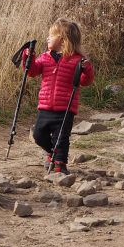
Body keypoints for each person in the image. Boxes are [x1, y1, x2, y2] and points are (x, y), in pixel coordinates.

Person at [25, 18, 95, 174]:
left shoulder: (77, 60)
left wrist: (86, 69)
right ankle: (52, 153)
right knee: (38, 135)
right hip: (45, 106)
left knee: (61, 138)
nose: (47, 38)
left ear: (62, 40)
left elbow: (85, 81)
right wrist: (28, 58)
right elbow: (32, 72)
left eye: (51, 35)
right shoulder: (45, 57)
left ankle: (60, 165)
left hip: (65, 108)